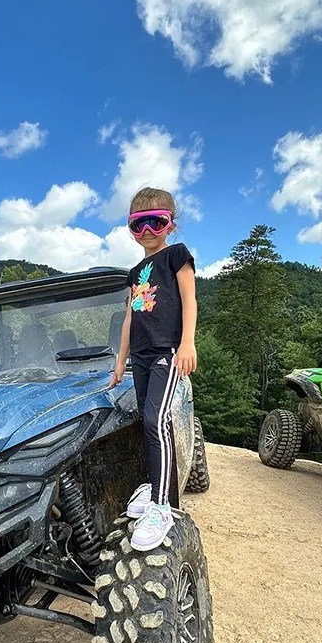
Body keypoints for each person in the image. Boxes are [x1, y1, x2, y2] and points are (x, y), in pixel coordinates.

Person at [108, 187, 198, 551]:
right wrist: (120, 360)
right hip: (141, 356)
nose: (147, 231)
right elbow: (130, 317)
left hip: (167, 351)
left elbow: (190, 299)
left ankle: (162, 507)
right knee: (145, 420)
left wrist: (188, 343)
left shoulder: (176, 255)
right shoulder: (135, 271)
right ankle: (153, 486)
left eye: (156, 222)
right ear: (131, 228)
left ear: (171, 224)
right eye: (138, 224)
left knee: (155, 421)